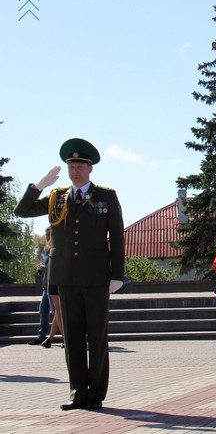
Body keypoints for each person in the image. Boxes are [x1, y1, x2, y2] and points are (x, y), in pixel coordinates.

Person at [14, 138, 124, 411]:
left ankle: (96, 393)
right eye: (71, 165)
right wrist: (40, 186)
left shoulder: (105, 196)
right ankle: (78, 393)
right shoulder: (56, 196)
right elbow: (22, 211)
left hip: (97, 276)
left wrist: (117, 275)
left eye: (80, 165)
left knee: (96, 336)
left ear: (90, 169)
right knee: (72, 337)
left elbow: (118, 236)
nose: (75, 170)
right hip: (64, 276)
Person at [29, 227, 54, 346]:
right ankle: (41, 337)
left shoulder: (55, 248)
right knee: (43, 310)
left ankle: (66, 338)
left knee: (57, 313)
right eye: (45, 234)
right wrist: (42, 267)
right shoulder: (47, 249)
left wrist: (43, 268)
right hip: (46, 285)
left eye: (48, 234)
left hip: (53, 285)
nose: (46, 236)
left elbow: (54, 268)